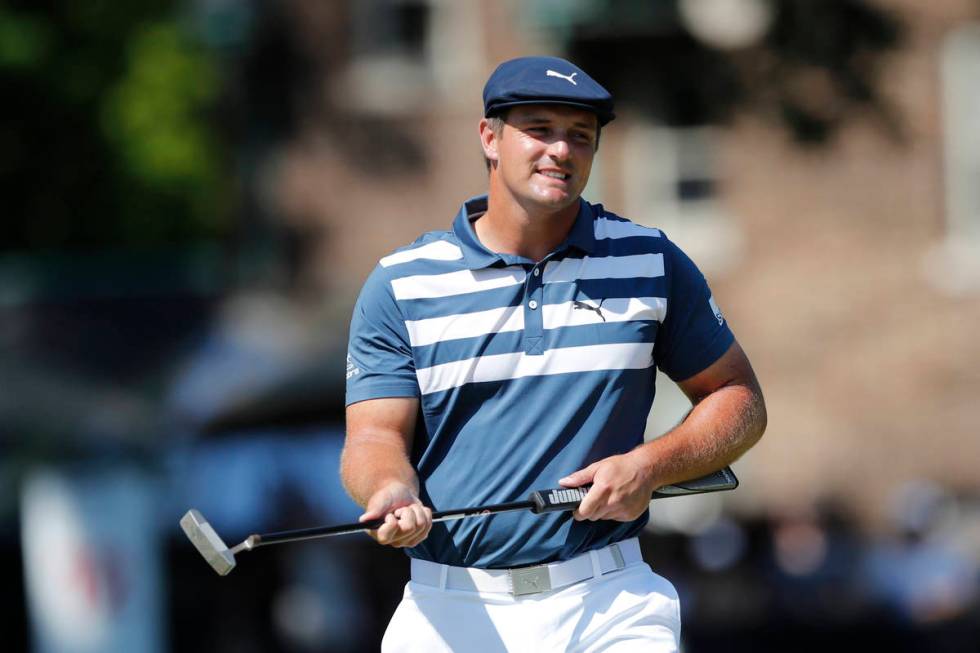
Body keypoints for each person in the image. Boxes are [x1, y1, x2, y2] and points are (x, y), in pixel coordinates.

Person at [342, 55, 766, 652]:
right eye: (539, 129)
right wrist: (389, 490)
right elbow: (373, 437)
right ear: (490, 137)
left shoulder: (650, 262)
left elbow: (738, 399)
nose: (561, 151)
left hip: (608, 599)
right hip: (450, 607)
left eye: (580, 136)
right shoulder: (403, 283)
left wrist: (649, 466)